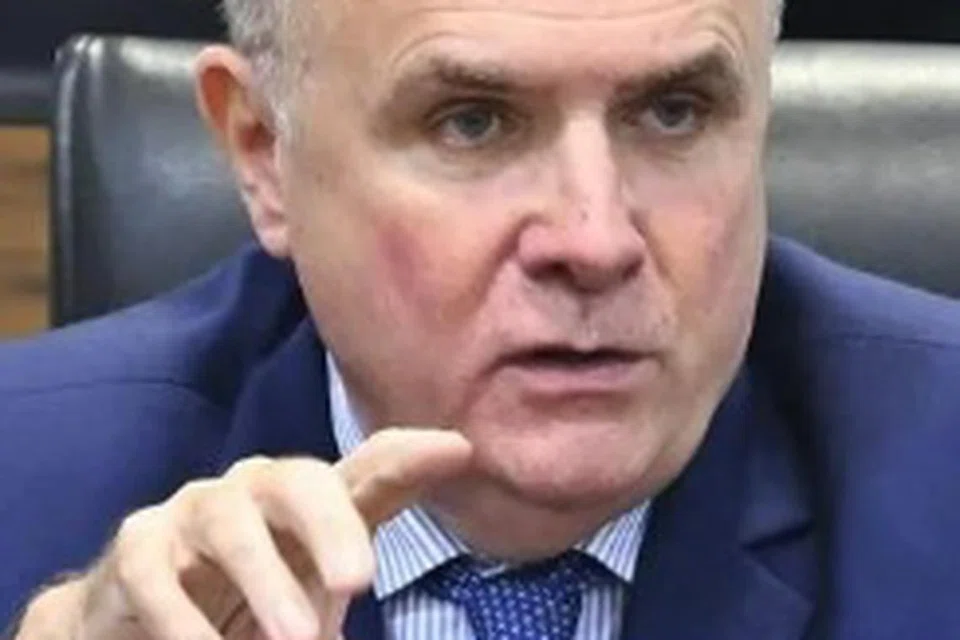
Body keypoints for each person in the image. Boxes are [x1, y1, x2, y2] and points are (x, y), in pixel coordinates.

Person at [4, 0, 960, 637]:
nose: (595, 240)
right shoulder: (26, 482)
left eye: (674, 111)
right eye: (473, 121)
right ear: (263, 154)